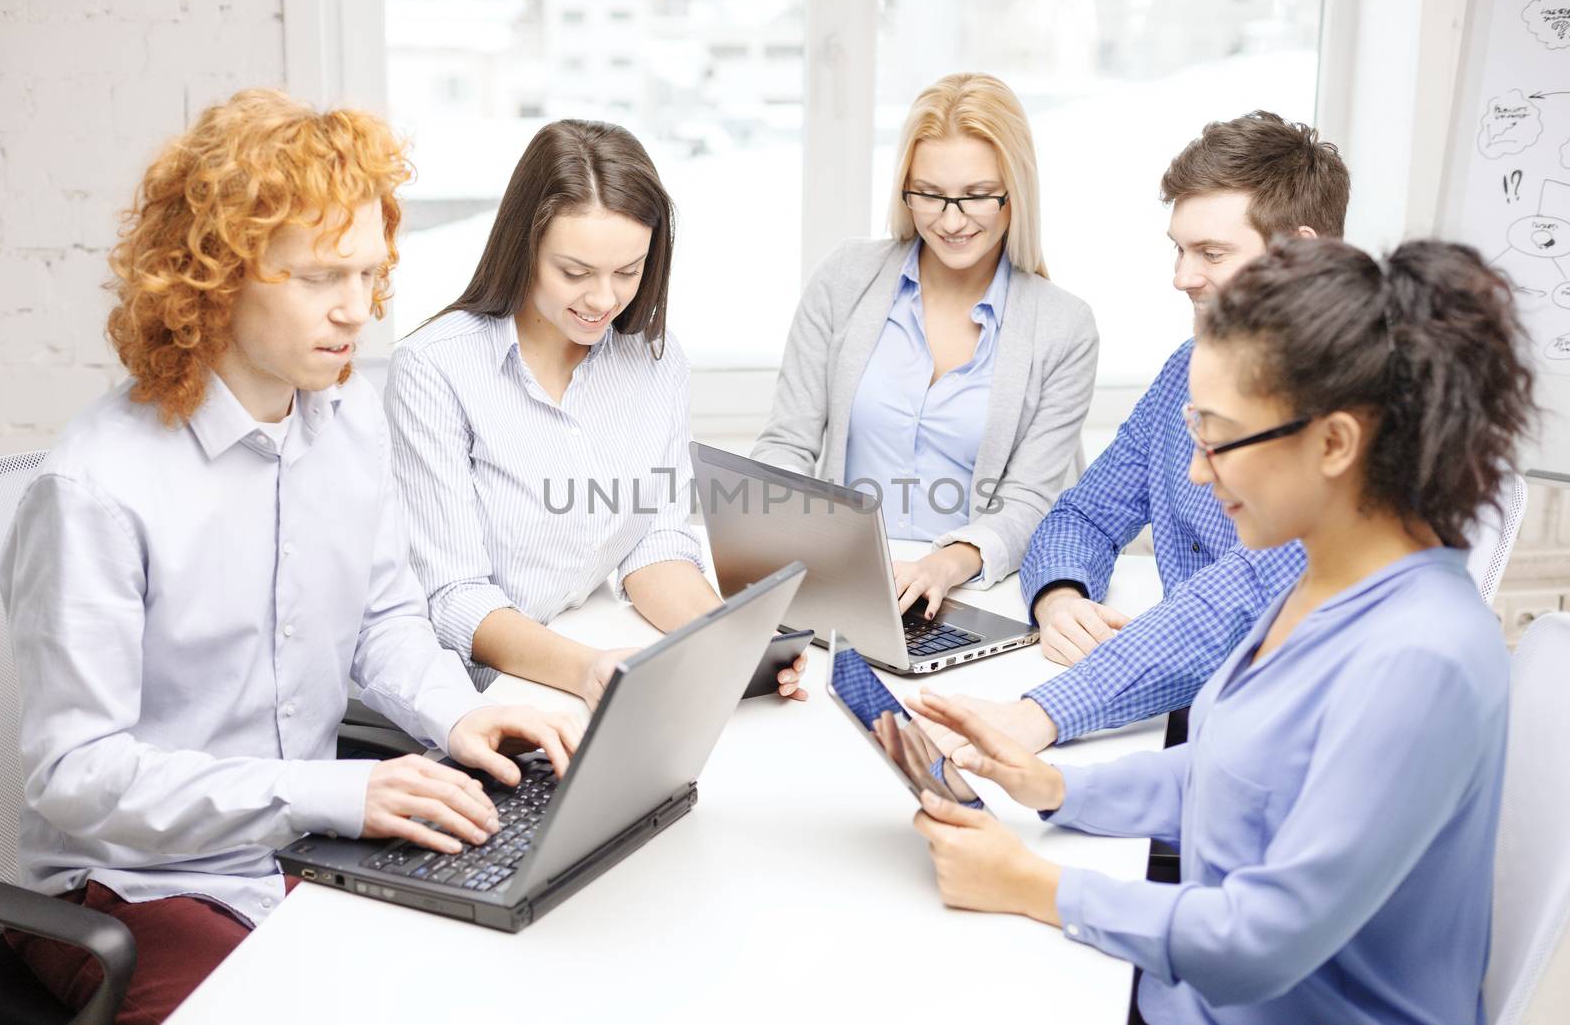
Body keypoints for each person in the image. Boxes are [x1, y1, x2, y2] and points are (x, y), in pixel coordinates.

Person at [0, 89, 581, 1025]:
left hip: (304, 845)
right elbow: (78, 775)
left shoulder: (346, 420)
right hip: (135, 885)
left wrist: (463, 713)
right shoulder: (97, 487)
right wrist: (337, 791)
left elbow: (385, 620)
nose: (358, 311)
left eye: (368, 274)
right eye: (320, 278)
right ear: (215, 277)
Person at [907, 236, 1532, 1023]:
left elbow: (1261, 942)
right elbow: (1238, 773)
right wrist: (1054, 785)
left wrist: (1034, 886)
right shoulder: (1322, 576)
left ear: (1335, 442)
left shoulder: (1423, 657)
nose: (1198, 473)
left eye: (1219, 438)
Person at [937, 111, 1351, 755]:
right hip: (1183, 714)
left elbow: (1240, 604)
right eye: (1179, 249)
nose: (1182, 277)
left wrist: (1039, 715)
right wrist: (1060, 595)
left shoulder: (1345, 416)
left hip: (1281, 739)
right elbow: (1085, 514)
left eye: (1213, 253)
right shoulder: (1189, 370)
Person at [385, 120, 806, 705]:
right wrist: (591, 670)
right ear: (523, 248)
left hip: (591, 652)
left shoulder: (654, 361)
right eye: (575, 273)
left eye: (628, 272)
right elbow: (454, 596)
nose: (604, 300)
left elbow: (652, 543)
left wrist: (730, 641)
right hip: (480, 695)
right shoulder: (435, 368)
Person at [752, 72, 1099, 616]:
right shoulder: (846, 278)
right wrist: (778, 534)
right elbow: (787, 444)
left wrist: (946, 562)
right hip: (843, 582)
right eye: (930, 196)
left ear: (1016, 194)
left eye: (977, 197)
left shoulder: (1064, 327)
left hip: (973, 593)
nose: (951, 220)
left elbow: (1031, 500)